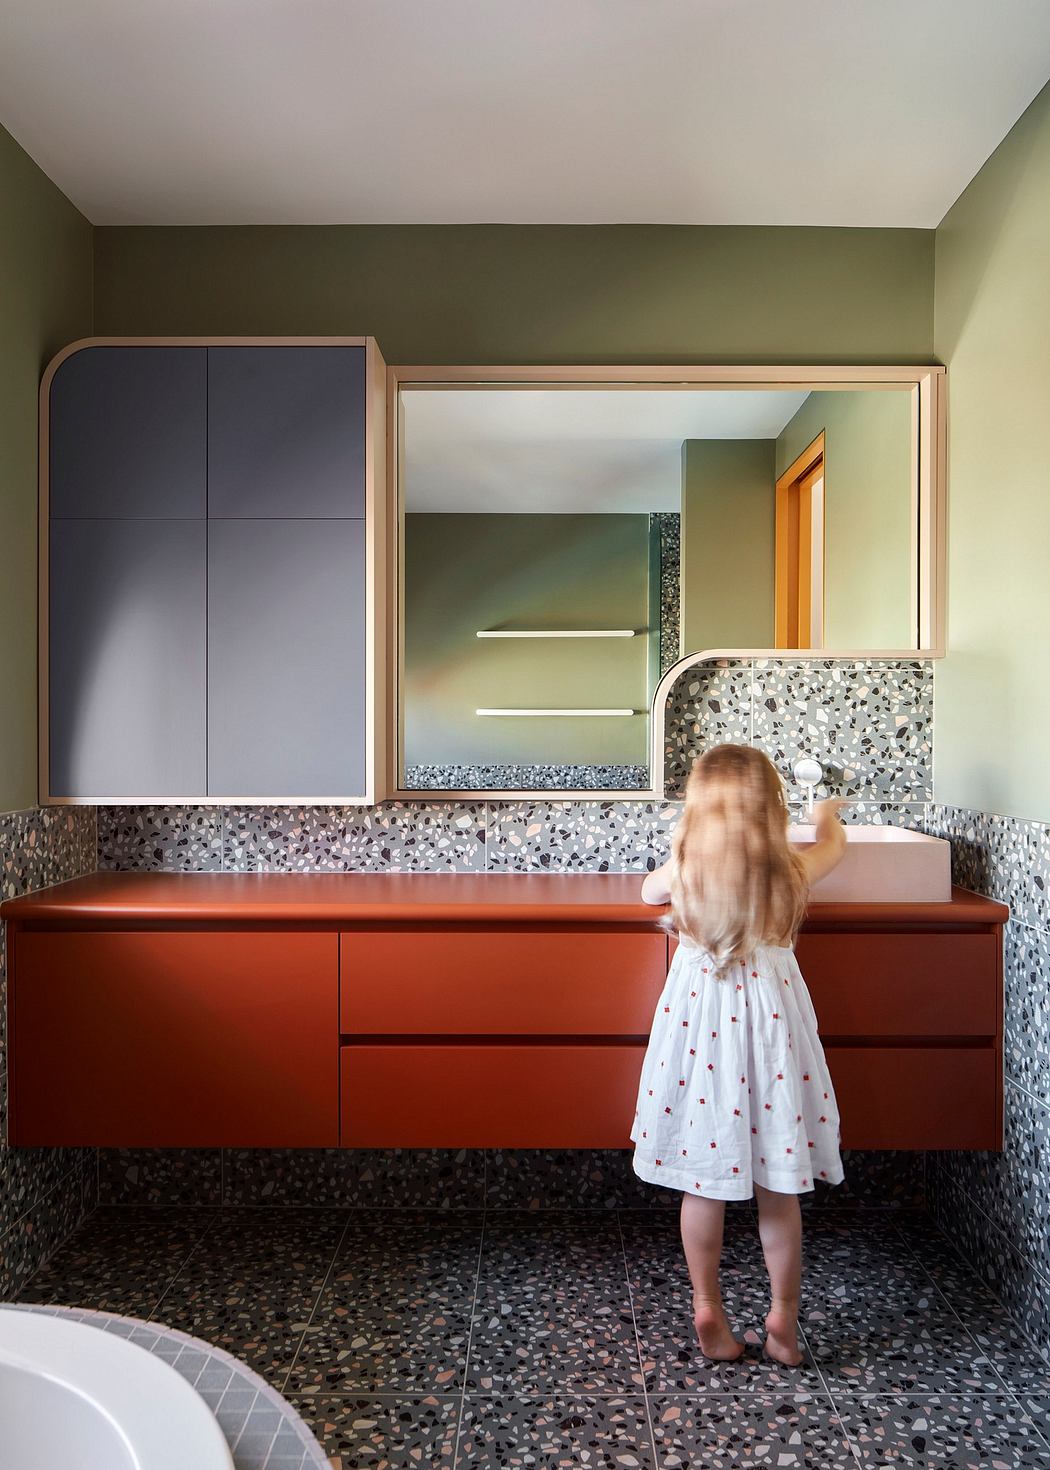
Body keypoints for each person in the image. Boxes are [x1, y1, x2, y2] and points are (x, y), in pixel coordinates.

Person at [632, 743, 847, 1366]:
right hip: (772, 1038)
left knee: (703, 1183)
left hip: (701, 1040)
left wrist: (682, 861)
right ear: (770, 807)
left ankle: (707, 1305)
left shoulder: (685, 869)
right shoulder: (790, 870)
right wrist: (826, 815)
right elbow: (835, 847)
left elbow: (647, 892)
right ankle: (782, 1318)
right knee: (778, 1188)